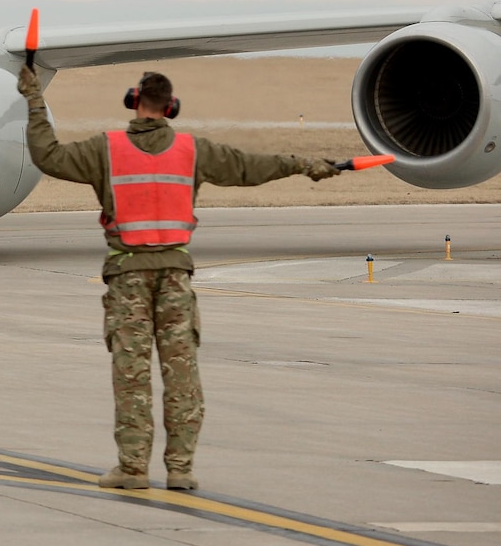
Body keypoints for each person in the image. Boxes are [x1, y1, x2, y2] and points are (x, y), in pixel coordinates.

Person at [18, 67, 342, 491]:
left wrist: (34, 99)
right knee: (182, 375)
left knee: (132, 376)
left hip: (127, 276)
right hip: (175, 279)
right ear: (171, 108)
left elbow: (48, 155)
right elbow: (251, 167)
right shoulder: (192, 151)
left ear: (134, 101)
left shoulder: (106, 150)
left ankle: (133, 469)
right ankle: (181, 469)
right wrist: (305, 165)